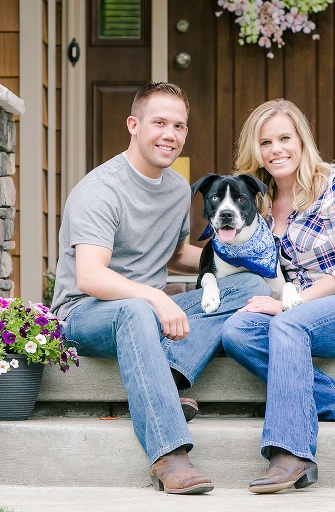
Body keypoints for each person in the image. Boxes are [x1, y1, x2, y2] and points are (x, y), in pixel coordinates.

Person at [50, 82, 270, 495]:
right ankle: (169, 454)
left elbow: (174, 256)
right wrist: (154, 297)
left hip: (148, 312)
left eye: (179, 126)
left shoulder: (174, 188)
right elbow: (90, 277)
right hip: (85, 313)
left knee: (247, 284)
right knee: (135, 310)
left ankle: (168, 374)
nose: (170, 134)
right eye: (159, 123)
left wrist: (247, 256)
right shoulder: (101, 189)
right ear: (133, 125)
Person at [221, 99, 335, 494]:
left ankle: (292, 452)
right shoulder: (256, 202)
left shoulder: (334, 184)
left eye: (285, 138)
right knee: (237, 331)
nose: (276, 149)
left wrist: (286, 305)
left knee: (288, 322)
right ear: (255, 150)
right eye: (266, 142)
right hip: (295, 314)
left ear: (302, 140)